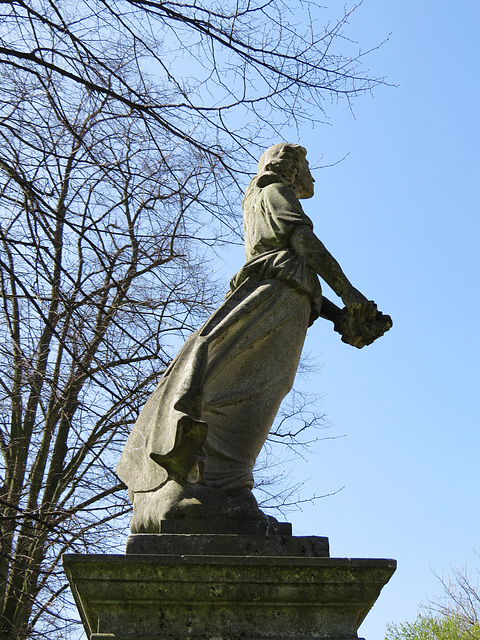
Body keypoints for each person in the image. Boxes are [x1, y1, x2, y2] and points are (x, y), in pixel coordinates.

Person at [116, 143, 391, 532]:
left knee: (259, 388)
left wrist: (339, 317)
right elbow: (301, 247)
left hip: (280, 300)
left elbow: (289, 270)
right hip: (275, 301)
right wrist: (350, 295)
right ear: (291, 169)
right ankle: (218, 484)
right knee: (253, 389)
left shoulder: (257, 199)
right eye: (307, 166)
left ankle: (228, 485)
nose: (313, 176)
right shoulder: (275, 191)